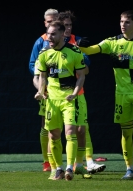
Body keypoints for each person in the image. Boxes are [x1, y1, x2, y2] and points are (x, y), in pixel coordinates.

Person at [77, 10, 133, 180]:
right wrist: (78, 43)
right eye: (121, 21)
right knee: (126, 133)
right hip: (122, 94)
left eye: (127, 22)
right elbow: (90, 50)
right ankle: (130, 169)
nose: (123, 25)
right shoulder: (113, 42)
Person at [34, 20, 86, 181]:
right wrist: (40, 91)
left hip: (69, 100)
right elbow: (42, 76)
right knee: (54, 135)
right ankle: (58, 169)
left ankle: (70, 168)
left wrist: (75, 93)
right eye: (48, 33)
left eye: (53, 34)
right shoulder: (44, 53)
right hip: (52, 101)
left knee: (71, 132)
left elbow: (82, 75)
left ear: (63, 34)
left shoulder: (74, 52)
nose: (49, 37)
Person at [57, 10, 106, 176]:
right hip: (57, 96)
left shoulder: (78, 42)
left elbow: (86, 68)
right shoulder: (48, 44)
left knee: (81, 129)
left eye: (70, 25)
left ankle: (83, 163)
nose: (68, 28)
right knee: (55, 132)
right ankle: (56, 167)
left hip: (77, 93)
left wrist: (79, 50)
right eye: (65, 25)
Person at [29, 8, 59, 172]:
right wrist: (41, 84)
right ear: (44, 23)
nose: (51, 24)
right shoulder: (40, 41)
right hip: (47, 89)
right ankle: (47, 161)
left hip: (65, 90)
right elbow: (32, 64)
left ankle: (70, 161)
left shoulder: (67, 41)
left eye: (54, 20)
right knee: (46, 125)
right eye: (48, 22)